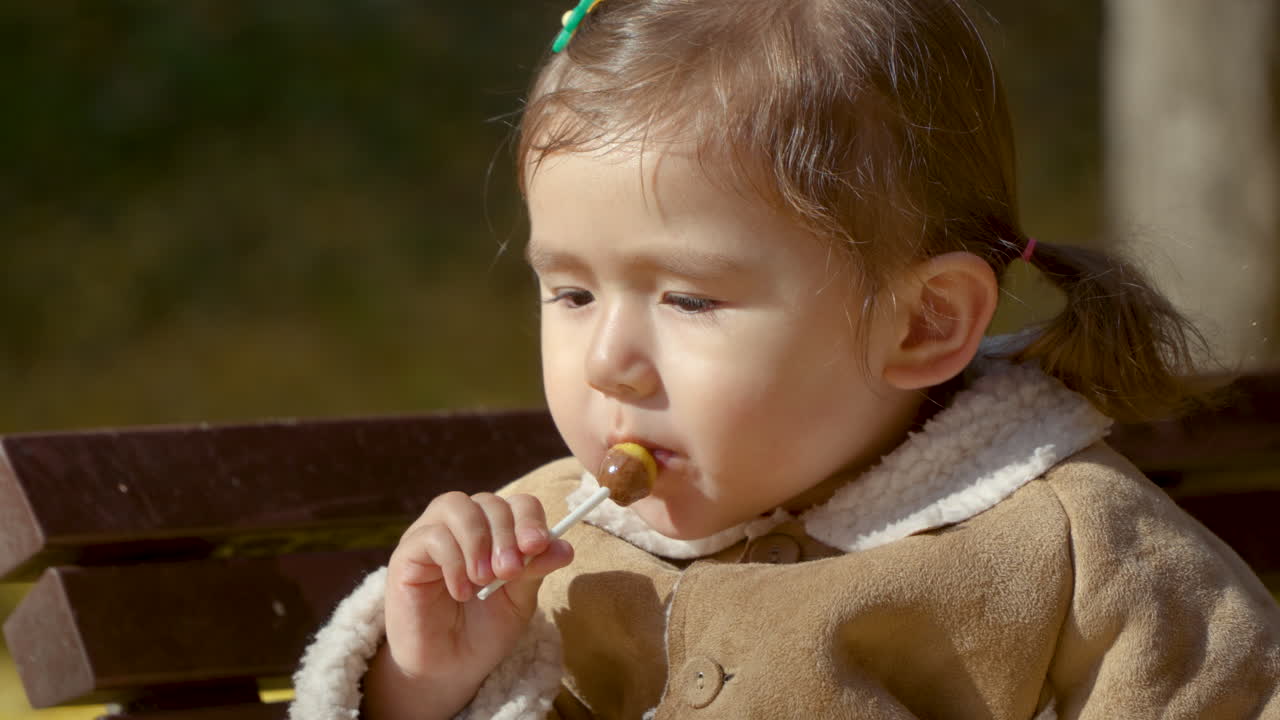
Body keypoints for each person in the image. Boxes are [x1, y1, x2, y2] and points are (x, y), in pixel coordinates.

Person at [289, 0, 1280, 717]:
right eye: (572, 293)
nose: (608, 362)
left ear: (923, 324)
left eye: (686, 298)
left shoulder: (1074, 550)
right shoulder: (545, 555)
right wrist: (426, 686)